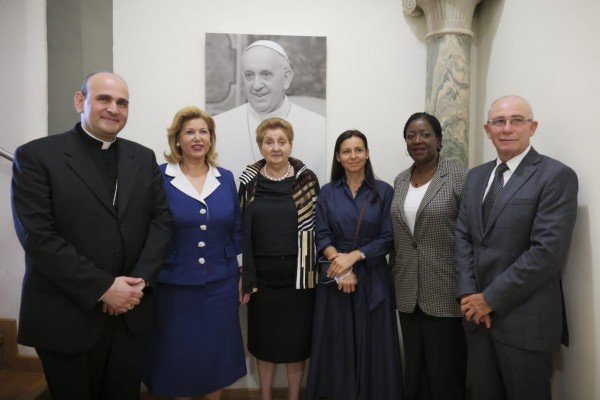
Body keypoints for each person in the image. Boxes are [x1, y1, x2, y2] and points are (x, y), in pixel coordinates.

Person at [10, 72, 173, 399]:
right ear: (80, 101)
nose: (114, 108)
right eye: (104, 99)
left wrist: (137, 282)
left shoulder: (142, 158)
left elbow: (161, 222)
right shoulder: (36, 156)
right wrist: (103, 287)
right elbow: (39, 237)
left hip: (130, 313)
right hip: (66, 315)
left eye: (122, 103)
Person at [455, 95, 578, 400]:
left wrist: (490, 299)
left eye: (516, 120)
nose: (507, 128)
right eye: (499, 121)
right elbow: (463, 237)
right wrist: (471, 295)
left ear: (532, 127)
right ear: (488, 129)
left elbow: (545, 254)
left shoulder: (556, 176)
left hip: (524, 323)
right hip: (477, 321)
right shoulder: (476, 177)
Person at [143, 106, 246, 399]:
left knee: (215, 360)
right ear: (177, 140)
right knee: (176, 359)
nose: (197, 138)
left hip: (220, 286)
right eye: (189, 132)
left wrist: (241, 273)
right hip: (173, 286)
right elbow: (148, 229)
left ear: (211, 139)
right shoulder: (160, 178)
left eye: (203, 132)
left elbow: (236, 229)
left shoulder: (225, 177)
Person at [306, 130, 403, 400]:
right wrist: (342, 265)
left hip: (373, 277)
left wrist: (355, 256)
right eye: (346, 151)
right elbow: (321, 233)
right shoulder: (327, 192)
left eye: (358, 150)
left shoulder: (383, 191)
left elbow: (387, 238)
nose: (353, 156)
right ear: (338, 156)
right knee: (336, 343)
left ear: (368, 153)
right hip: (336, 276)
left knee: (375, 346)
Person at [238, 117, 319, 400]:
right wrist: (245, 275)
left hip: (299, 277)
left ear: (290, 145)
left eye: (281, 141)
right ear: (260, 146)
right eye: (269, 142)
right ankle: (266, 397)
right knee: (264, 343)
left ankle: (295, 396)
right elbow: (241, 231)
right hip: (262, 278)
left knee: (297, 343)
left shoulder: (306, 180)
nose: (276, 148)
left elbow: (317, 228)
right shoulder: (248, 182)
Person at [391, 112, 468, 400]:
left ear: (439, 140)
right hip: (408, 292)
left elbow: (471, 235)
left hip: (447, 290)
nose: (417, 140)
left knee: (446, 372)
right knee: (416, 370)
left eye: (424, 134)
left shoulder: (458, 175)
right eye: (411, 135)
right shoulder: (400, 180)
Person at [215, 39, 326, 184]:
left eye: (265, 74)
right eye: (249, 75)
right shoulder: (217, 127)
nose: (256, 85)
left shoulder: (320, 128)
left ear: (286, 78)